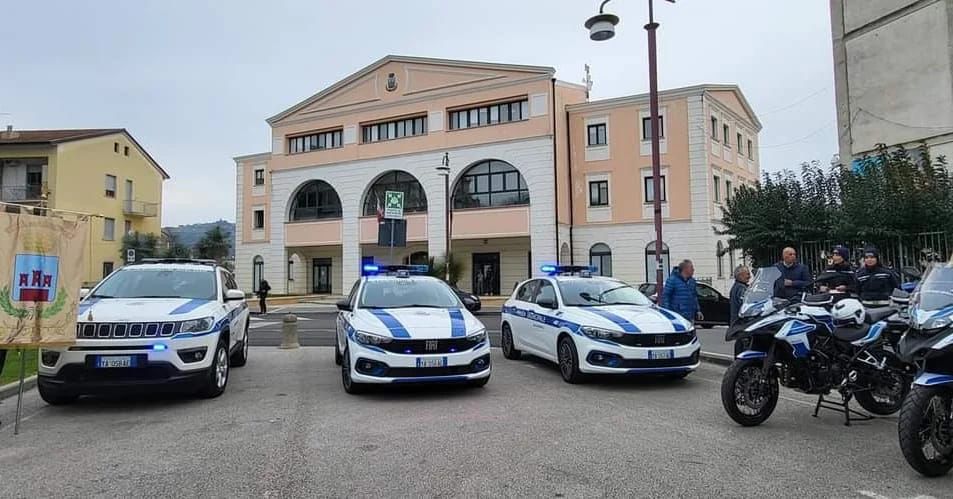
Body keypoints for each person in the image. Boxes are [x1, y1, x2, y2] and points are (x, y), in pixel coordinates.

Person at [661, 259, 703, 324]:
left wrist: (698, 310)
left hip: (690, 315)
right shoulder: (672, 280)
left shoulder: (692, 281)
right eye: (691, 267)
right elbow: (665, 296)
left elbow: (694, 297)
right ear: (685, 269)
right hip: (677, 315)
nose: (693, 270)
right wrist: (669, 313)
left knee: (690, 333)